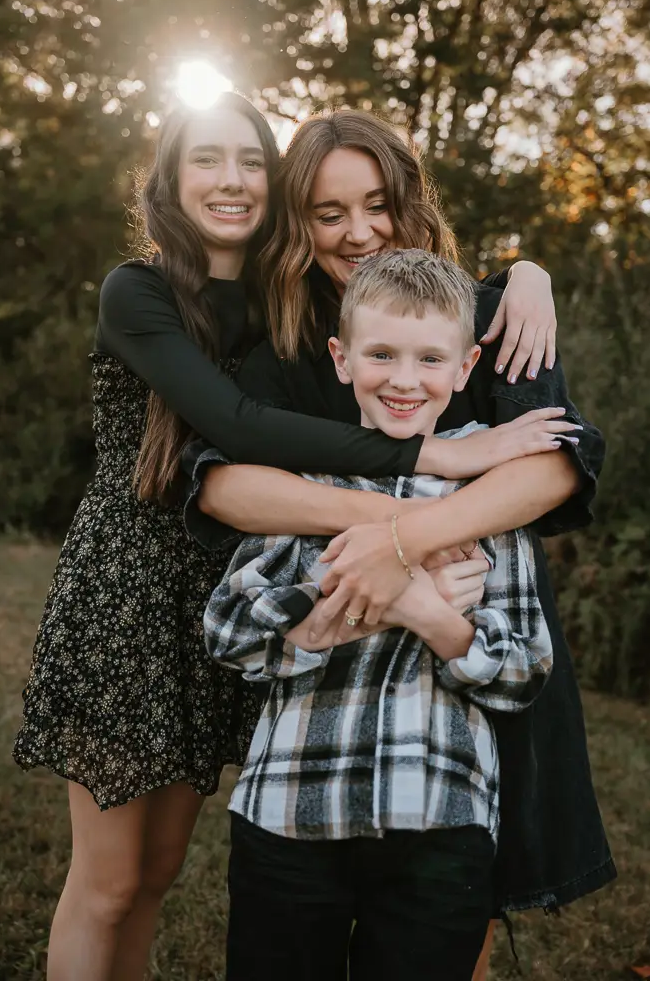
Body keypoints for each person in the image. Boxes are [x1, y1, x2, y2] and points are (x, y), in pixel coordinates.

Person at [11, 95, 557, 981]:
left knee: (154, 875)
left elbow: (415, 305)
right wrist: (426, 470)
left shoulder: (288, 299)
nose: (230, 179)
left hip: (235, 574)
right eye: (205, 159)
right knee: (107, 882)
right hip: (135, 588)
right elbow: (237, 424)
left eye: (250, 160)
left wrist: (525, 271)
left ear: (274, 185)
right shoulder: (141, 289)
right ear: (166, 179)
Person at [187, 110, 615, 972]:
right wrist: (368, 551)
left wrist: (405, 544)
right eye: (327, 211)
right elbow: (225, 487)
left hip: (469, 643)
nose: (359, 231)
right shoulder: (286, 350)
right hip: (323, 722)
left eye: (376, 203)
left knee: (452, 899)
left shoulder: (487, 318)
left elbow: (560, 464)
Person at [202, 249, 558, 981]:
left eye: (430, 358)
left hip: (438, 818)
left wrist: (433, 618)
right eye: (381, 354)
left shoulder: (489, 493)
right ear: (341, 358)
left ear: (463, 371)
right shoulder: (302, 482)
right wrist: (383, 605)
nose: (403, 379)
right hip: (289, 811)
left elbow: (522, 669)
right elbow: (229, 632)